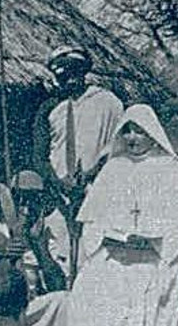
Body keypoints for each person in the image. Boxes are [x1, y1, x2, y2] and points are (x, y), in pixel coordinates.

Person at [29, 105, 178, 326]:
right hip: (116, 254)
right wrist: (114, 238)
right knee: (90, 283)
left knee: (154, 281)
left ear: (152, 134)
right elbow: (93, 223)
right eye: (127, 132)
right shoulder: (113, 169)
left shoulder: (171, 169)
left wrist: (153, 242)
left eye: (140, 132)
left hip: (156, 257)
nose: (133, 138)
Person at [32, 46, 124, 281]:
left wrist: (93, 174)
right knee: (61, 256)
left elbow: (119, 147)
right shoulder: (50, 108)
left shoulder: (109, 103)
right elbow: (39, 157)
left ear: (83, 73)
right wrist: (58, 183)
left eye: (73, 75)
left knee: (96, 258)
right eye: (62, 77)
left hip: (100, 195)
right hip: (60, 197)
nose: (68, 82)